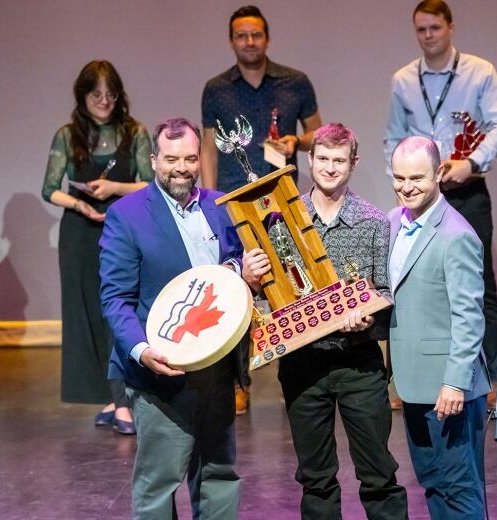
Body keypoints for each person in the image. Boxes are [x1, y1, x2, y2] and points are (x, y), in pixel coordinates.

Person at [243, 123, 408, 520]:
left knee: (379, 475)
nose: (330, 168)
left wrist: (367, 315)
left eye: (339, 160)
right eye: (322, 159)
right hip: (304, 364)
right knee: (315, 479)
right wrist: (249, 276)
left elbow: (385, 291)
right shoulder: (280, 220)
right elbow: (270, 294)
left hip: (358, 363)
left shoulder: (372, 222)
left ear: (353, 162)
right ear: (309, 160)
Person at [100, 118, 243, 519]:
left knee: (219, 472)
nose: (181, 167)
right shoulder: (127, 215)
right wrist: (143, 352)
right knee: (160, 482)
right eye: (171, 159)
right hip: (161, 372)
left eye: (190, 158)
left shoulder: (219, 206)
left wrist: (239, 270)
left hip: (216, 366)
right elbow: (115, 298)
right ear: (153, 160)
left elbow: (233, 266)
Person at [384, 0, 497, 408]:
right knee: (409, 284)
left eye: (435, 28)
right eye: (421, 29)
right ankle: (408, 377)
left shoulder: (479, 71)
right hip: (420, 194)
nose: (428, 36)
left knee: (480, 287)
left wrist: (471, 163)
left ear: (450, 28)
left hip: (465, 188)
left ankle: (486, 378)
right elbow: (392, 137)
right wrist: (403, 178)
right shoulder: (404, 79)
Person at [202, 4, 322, 414]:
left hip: (281, 200)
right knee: (240, 287)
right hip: (234, 204)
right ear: (231, 41)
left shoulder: (295, 82)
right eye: (241, 35)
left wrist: (294, 142)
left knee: (293, 281)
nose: (249, 42)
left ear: (266, 38)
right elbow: (207, 147)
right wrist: (208, 197)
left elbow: (317, 136)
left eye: (255, 35)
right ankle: (240, 382)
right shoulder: (215, 89)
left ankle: (299, 374)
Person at [42, 60, 153, 434]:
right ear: (83, 96)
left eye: (111, 94)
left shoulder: (133, 132)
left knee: (119, 311)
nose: (104, 101)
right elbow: (50, 188)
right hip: (80, 233)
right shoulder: (67, 134)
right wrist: (80, 203)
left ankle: (124, 402)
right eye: (96, 94)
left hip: (121, 229)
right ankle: (112, 397)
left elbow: (150, 184)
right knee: (88, 315)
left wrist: (114, 189)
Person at [388, 135, 490, 518]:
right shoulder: (393, 222)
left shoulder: (457, 235)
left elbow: (469, 317)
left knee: (460, 488)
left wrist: (454, 381)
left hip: (449, 388)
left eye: (417, 178)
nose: (406, 187)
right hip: (414, 383)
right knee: (433, 483)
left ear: (438, 175)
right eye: (399, 178)